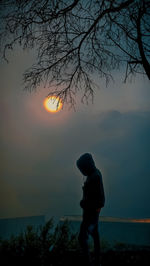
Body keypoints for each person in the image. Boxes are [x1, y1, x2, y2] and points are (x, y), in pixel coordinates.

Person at [76, 153, 105, 266]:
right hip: (91, 213)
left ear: (86, 166)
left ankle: (88, 261)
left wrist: (83, 203)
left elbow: (99, 199)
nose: (82, 172)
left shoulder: (94, 177)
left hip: (91, 215)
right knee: (95, 235)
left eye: (82, 169)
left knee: (82, 237)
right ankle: (97, 261)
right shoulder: (94, 174)